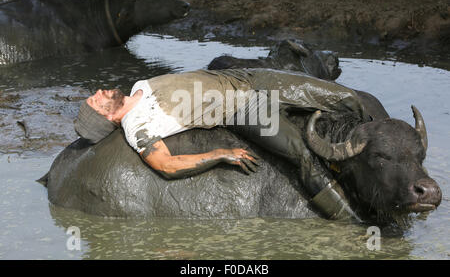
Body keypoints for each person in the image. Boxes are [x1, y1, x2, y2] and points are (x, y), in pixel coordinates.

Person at [75, 68, 369, 219]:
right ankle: (351, 225)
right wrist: (219, 154)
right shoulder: (137, 127)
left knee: (345, 98)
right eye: (96, 100)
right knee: (301, 155)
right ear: (107, 117)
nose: (99, 91)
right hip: (243, 109)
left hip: (248, 76)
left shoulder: (139, 86)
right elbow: (165, 164)